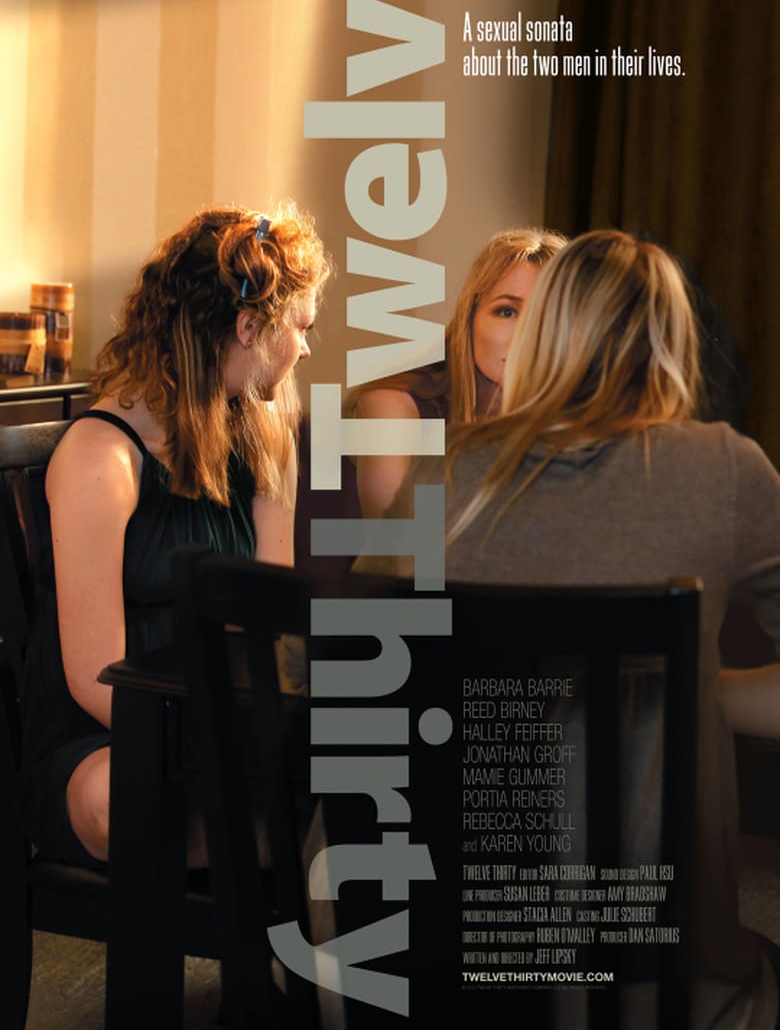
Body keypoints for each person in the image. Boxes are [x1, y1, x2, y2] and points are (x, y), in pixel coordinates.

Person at [360, 229, 780, 1030]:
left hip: (421, 968)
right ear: (672, 343)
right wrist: (695, 690)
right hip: (648, 989)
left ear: (545, 334)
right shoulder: (725, 469)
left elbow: (338, 667)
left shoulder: (447, 468)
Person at [19, 202, 330, 867]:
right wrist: (215, 751)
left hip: (228, 720)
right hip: (107, 735)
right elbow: (95, 679)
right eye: (301, 328)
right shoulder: (101, 458)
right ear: (248, 327)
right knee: (139, 800)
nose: (306, 348)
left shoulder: (267, 436)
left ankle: (290, 894)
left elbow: (270, 626)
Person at [347, 226, 567, 517]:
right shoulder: (396, 406)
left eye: (545, 316)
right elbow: (396, 539)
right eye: (506, 312)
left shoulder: (576, 419)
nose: (526, 333)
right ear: (470, 318)